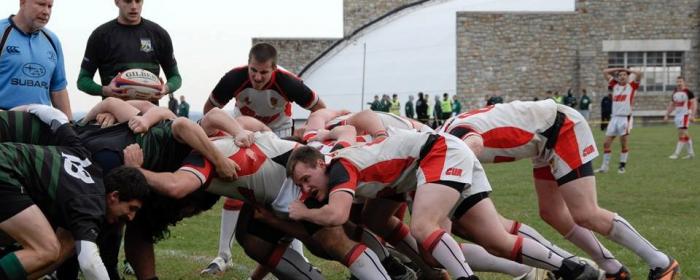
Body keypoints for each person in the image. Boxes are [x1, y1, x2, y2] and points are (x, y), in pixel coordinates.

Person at [286, 129, 600, 280]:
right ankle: (572, 268)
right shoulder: (346, 166)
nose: (306, 187)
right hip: (438, 156)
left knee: (424, 227)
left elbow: (338, 213)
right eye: (299, 184)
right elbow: (372, 216)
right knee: (497, 240)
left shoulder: (339, 166)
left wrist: (303, 211)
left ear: (319, 162)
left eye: (306, 177)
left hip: (437, 153)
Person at [439, 99, 680, 280]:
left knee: (586, 212)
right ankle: (614, 271)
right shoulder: (443, 139)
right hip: (543, 142)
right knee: (552, 213)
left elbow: (472, 142)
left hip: (561, 127)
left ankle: (661, 262)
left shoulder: (451, 143)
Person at [203, 42, 325, 275]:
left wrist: (310, 132)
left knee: (290, 194)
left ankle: (299, 256)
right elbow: (211, 109)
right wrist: (224, 132)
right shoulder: (233, 78)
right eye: (253, 71)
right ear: (248, 66)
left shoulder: (289, 82)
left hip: (277, 134)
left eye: (264, 72)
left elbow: (319, 109)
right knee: (236, 189)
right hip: (243, 133)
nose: (257, 77)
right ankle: (222, 256)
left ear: (274, 69)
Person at [0, 106, 150, 280]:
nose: (131, 217)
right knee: (47, 249)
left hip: (8, 165)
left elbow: (53, 115)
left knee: (10, 239)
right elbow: (89, 263)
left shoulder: (82, 152)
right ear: (114, 196)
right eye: (131, 208)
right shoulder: (91, 203)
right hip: (5, 170)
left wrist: (23, 108)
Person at [77, 0, 182, 104]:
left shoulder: (159, 34)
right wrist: (105, 90)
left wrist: (166, 88)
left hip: (150, 116)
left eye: (138, 1)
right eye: (128, 1)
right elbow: (82, 80)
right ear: (117, 2)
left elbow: (176, 77)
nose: (133, 6)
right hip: (114, 115)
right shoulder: (100, 35)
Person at [0, 0, 72, 119]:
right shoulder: (2, 33)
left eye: (50, 6)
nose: (46, 12)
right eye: (41, 4)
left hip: (40, 125)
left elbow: (58, 90)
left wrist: (70, 126)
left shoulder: (52, 40)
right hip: (4, 123)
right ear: (22, 2)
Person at [596, 67, 642, 174]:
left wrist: (627, 70)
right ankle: (604, 167)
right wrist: (620, 68)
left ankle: (622, 167)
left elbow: (639, 74)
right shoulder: (614, 85)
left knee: (623, 143)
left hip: (625, 118)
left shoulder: (631, 86)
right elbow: (604, 71)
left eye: (624, 75)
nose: (622, 77)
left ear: (628, 77)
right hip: (614, 118)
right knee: (606, 143)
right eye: (620, 75)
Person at [665, 76, 696, 159]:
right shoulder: (675, 92)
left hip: (685, 115)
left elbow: (694, 103)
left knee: (682, 134)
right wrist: (667, 114)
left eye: (680, 82)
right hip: (677, 116)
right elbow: (672, 105)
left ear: (684, 82)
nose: (679, 83)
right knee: (685, 134)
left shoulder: (688, 92)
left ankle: (676, 154)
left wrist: (692, 115)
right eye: (677, 82)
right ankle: (691, 154)